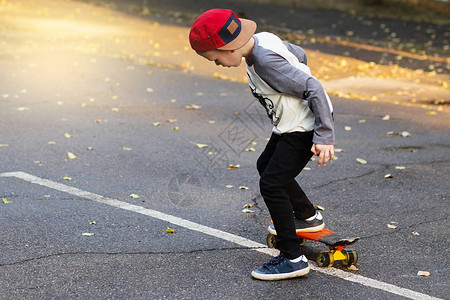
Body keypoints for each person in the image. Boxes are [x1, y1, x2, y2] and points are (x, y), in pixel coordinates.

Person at [189, 9, 335, 281]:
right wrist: (294, 76)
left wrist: (324, 135)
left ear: (228, 47)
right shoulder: (263, 40)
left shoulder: (266, 63)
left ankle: (292, 258)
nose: (217, 63)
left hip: (301, 128)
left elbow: (313, 87)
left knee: (272, 183)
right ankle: (307, 217)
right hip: (290, 124)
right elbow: (298, 54)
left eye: (215, 58)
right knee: (265, 165)